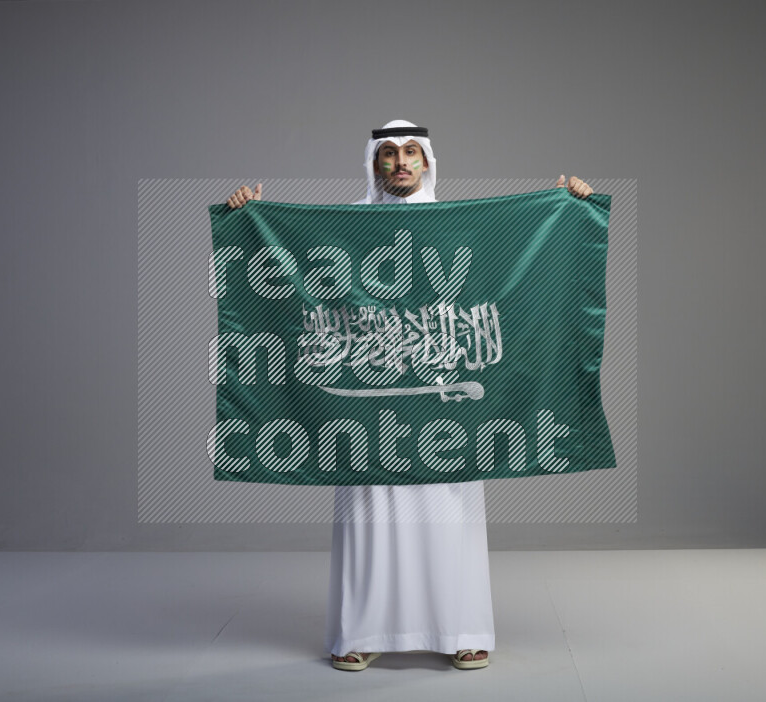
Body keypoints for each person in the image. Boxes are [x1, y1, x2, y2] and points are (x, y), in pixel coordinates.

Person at [226, 120, 594, 671]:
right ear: (374, 162)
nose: (400, 163)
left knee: (450, 513)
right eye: (389, 154)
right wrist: (248, 219)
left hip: (446, 402)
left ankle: (463, 631)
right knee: (371, 516)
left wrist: (569, 208)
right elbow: (291, 272)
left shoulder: (459, 228)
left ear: (427, 161)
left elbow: (516, 265)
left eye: (411, 153)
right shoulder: (344, 227)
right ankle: (362, 631)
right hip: (371, 398)